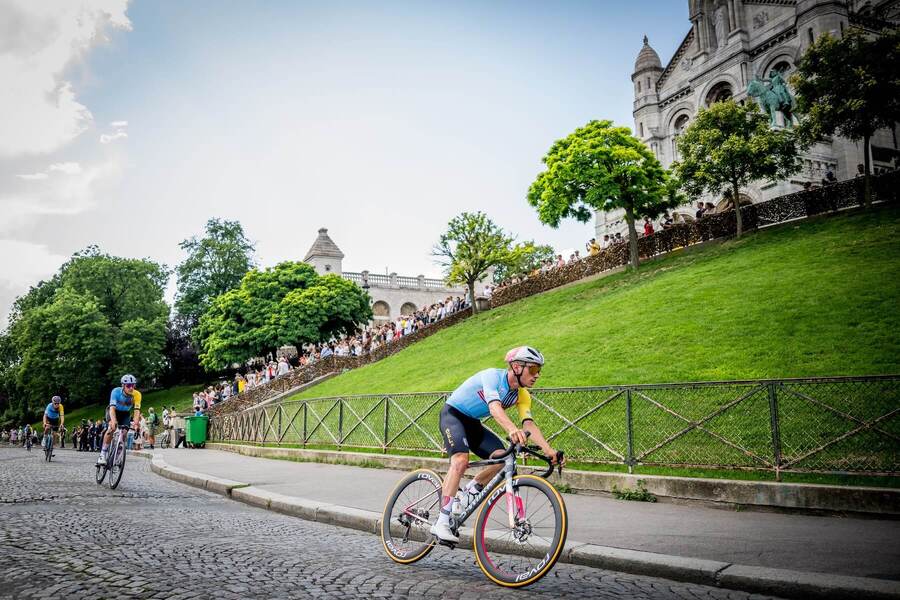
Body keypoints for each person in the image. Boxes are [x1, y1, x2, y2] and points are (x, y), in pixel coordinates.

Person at [430, 346, 563, 544]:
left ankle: (469, 492)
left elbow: (529, 424)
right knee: (460, 460)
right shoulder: (492, 377)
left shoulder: (522, 394)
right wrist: (511, 429)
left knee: (503, 457)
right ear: (517, 367)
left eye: (539, 371)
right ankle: (441, 522)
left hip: (473, 423)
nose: (537, 375)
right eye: (533, 370)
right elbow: (494, 407)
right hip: (453, 415)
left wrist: (548, 450)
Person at [98, 374, 142, 466]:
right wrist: (113, 421)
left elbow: (137, 411)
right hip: (113, 411)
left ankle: (117, 456)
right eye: (128, 385)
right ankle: (103, 453)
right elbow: (112, 409)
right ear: (123, 385)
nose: (131, 388)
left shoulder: (137, 394)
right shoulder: (116, 391)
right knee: (111, 428)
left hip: (125, 413)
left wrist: (136, 424)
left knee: (125, 432)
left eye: (133, 385)